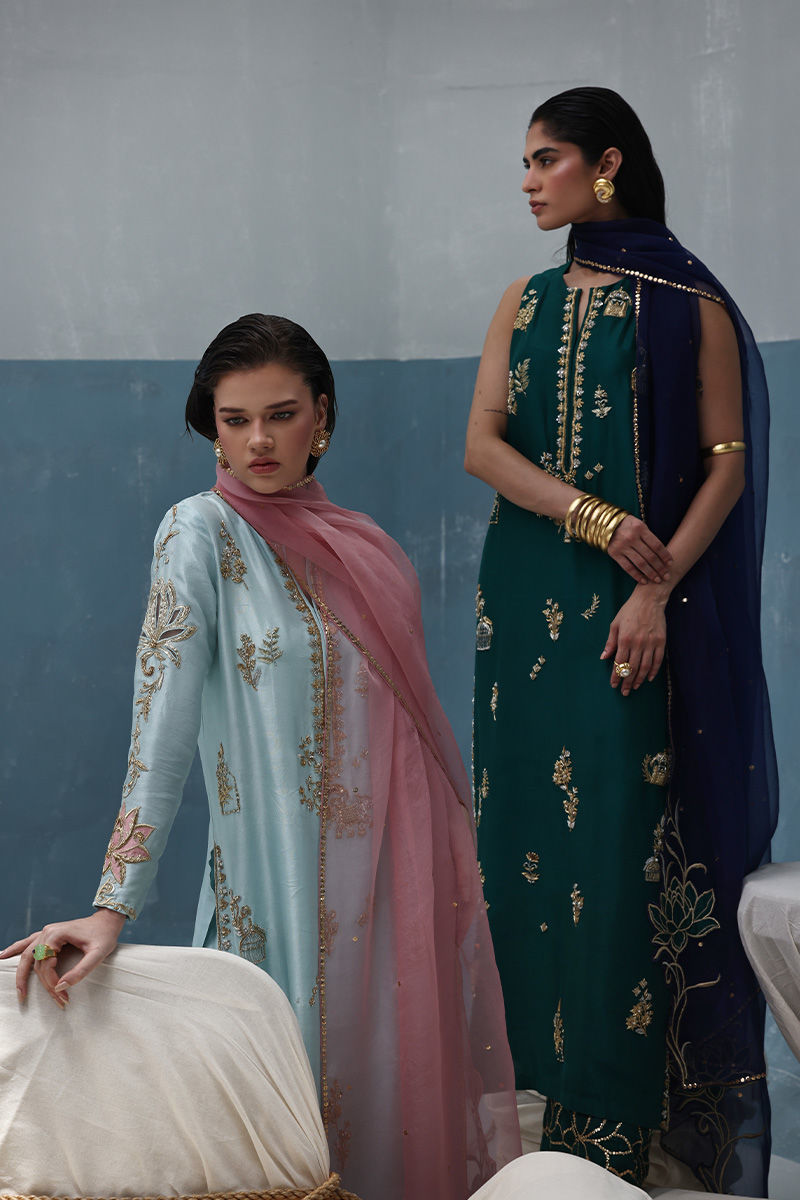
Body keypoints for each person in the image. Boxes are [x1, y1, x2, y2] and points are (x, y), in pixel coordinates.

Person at [2, 314, 521, 1200]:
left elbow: (412, 744)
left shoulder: (365, 547)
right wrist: (113, 904)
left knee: (388, 1106)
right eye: (234, 420)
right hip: (272, 893)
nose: (257, 441)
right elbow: (161, 724)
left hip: (390, 894)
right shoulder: (197, 532)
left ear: (321, 414)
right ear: (211, 426)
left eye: (280, 415)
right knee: (283, 1118)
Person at [465, 88, 777, 1195]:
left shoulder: (686, 303)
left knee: (612, 850)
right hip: (524, 598)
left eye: (543, 159)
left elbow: (726, 464)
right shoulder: (522, 300)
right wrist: (593, 516)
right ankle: (536, 1118)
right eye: (523, 162)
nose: (526, 181)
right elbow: (483, 446)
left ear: (604, 165)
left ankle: (613, 1130)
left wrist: (652, 587)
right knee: (518, 842)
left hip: (634, 609)